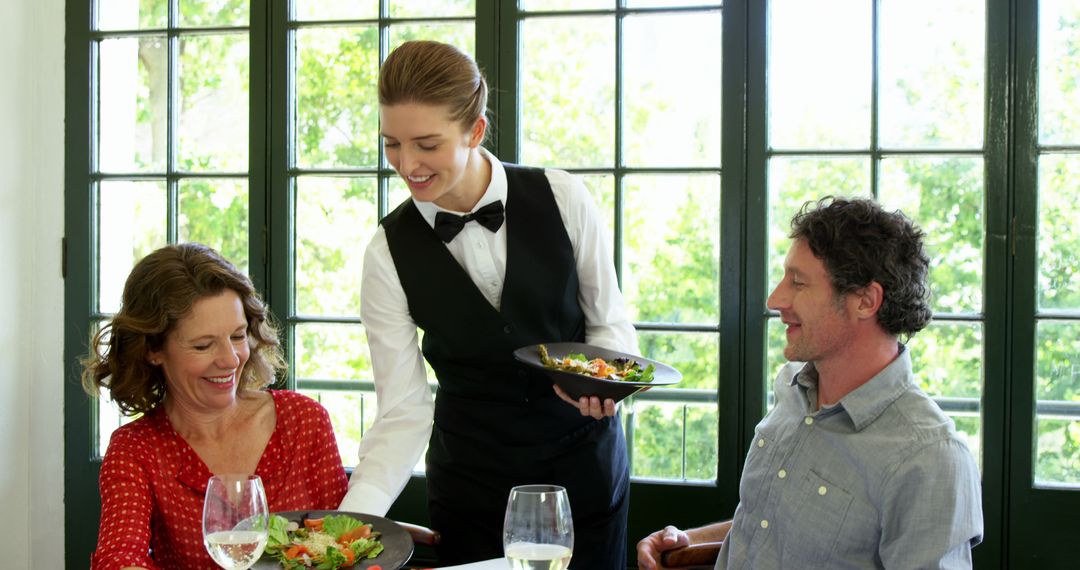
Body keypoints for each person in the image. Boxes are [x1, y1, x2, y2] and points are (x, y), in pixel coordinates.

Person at [337, 40, 638, 568]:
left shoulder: (564, 198)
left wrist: (603, 386)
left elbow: (610, 328)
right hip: (472, 492)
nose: (407, 165)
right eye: (391, 144)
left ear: (475, 131)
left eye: (426, 144)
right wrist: (351, 530)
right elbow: (403, 411)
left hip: (582, 481)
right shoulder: (386, 252)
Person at [637, 197, 984, 569]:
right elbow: (778, 525)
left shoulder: (929, 457)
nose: (775, 299)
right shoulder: (792, 391)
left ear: (866, 301)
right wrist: (692, 541)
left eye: (798, 283)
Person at [83, 243, 349, 570]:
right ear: (153, 349)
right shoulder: (136, 449)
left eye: (238, 336)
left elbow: (344, 545)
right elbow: (118, 558)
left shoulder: (304, 420)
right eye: (203, 345)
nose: (229, 359)